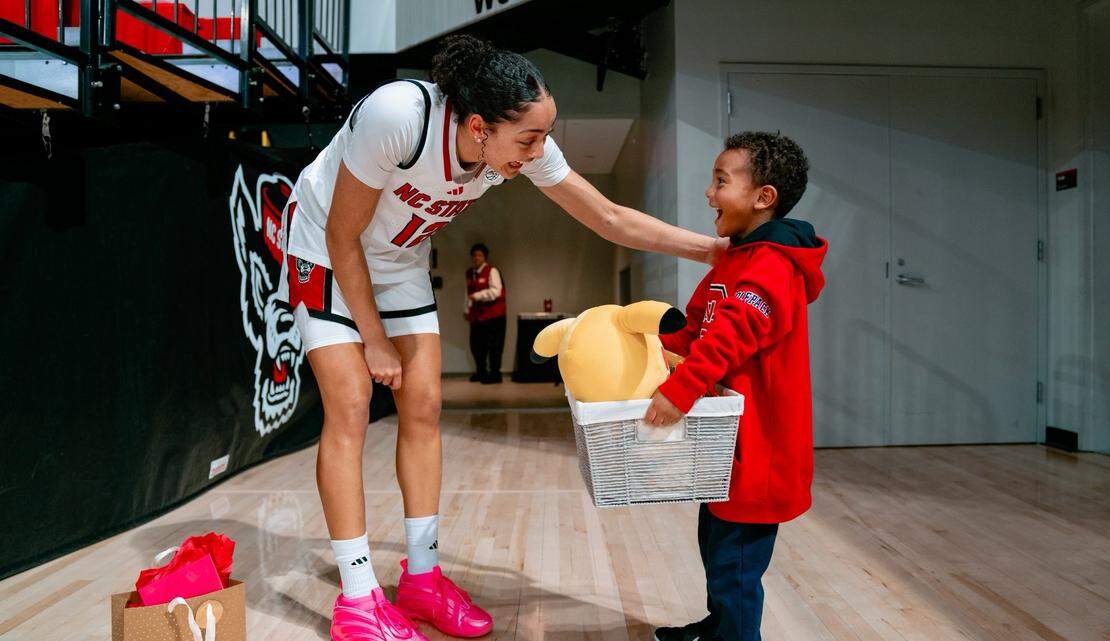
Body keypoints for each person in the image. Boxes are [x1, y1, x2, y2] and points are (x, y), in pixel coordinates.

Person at [283, 33, 730, 641]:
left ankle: (421, 577)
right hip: (325, 249)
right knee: (352, 406)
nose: (539, 151)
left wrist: (714, 250)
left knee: (426, 404)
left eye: (544, 135)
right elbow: (342, 234)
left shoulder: (516, 145)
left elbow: (609, 217)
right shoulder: (398, 117)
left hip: (400, 259)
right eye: (529, 139)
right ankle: (359, 600)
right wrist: (374, 340)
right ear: (476, 127)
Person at [643, 131, 827, 641]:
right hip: (729, 445)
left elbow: (732, 334)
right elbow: (698, 324)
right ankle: (719, 627)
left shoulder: (773, 266)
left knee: (737, 564)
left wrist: (679, 391)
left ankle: (736, 635)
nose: (709, 193)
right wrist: (647, 352)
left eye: (721, 181)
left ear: (762, 197)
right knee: (714, 544)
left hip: (762, 449)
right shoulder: (735, 259)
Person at [464, 243, 507, 384]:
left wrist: (478, 296)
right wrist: (466, 309)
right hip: (477, 316)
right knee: (476, 346)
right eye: (474, 255)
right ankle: (481, 372)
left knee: (494, 346)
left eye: (479, 255)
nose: (476, 258)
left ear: (485, 257)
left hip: (494, 315)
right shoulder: (470, 273)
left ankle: (495, 374)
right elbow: (467, 293)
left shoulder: (492, 271)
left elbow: (496, 291)